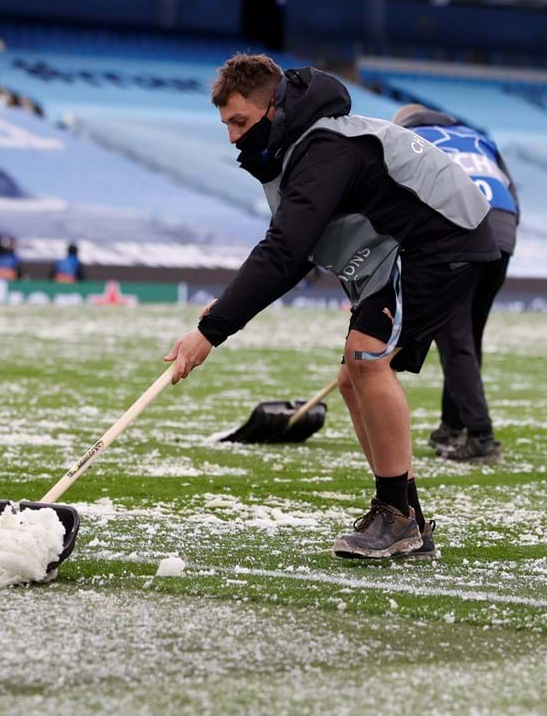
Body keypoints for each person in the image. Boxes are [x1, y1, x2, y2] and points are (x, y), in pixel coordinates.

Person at [164, 54, 498, 560]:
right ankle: (407, 516)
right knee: (352, 376)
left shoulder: (323, 146)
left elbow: (285, 252)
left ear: (273, 107)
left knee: (366, 359)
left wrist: (211, 330)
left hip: (442, 243)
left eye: (240, 122)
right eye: (227, 125)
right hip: (406, 248)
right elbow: (302, 247)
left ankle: (397, 518)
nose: (232, 138)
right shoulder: (303, 146)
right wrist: (226, 309)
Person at [394, 105, 518, 463]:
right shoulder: (479, 139)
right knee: (468, 335)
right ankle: (452, 425)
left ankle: (481, 436)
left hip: (457, 232)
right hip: (502, 230)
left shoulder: (407, 138)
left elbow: (400, 197)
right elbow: (512, 193)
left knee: (454, 337)